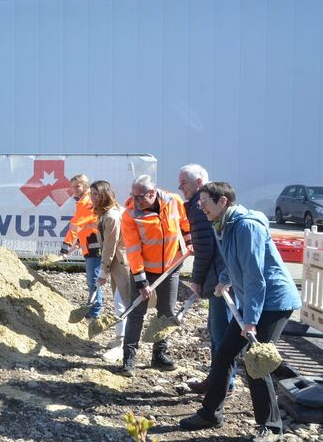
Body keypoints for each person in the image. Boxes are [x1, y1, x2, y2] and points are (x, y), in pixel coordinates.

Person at [180, 181, 301, 442]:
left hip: (274, 301)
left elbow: (256, 276)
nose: (201, 208)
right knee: (224, 353)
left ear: (223, 202)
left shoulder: (246, 226)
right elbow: (232, 262)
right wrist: (224, 279)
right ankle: (210, 413)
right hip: (252, 299)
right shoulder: (223, 225)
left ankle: (271, 426)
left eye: (205, 203)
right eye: (199, 204)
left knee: (256, 361)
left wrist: (251, 321)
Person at [119, 175, 191, 376]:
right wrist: (141, 281)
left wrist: (189, 241)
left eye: (140, 197)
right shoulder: (130, 215)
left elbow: (184, 223)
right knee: (137, 312)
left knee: (166, 312)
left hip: (171, 266)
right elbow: (133, 251)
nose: (136, 201)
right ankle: (129, 357)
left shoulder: (174, 201)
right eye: (133, 196)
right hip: (144, 271)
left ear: (153, 193)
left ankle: (159, 355)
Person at [178, 164, 234, 397]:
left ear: (199, 182)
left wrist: (197, 279)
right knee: (215, 329)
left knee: (221, 333)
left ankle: (223, 385)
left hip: (220, 280)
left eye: (184, 183)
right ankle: (216, 378)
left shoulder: (199, 208)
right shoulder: (202, 205)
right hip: (218, 278)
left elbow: (205, 247)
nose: (180, 187)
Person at [89, 180, 131, 362]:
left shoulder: (112, 217)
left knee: (121, 303)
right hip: (117, 263)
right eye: (91, 194)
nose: (92, 198)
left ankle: (122, 344)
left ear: (105, 194)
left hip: (122, 264)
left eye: (96, 194)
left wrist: (102, 272)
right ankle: (119, 339)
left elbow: (109, 247)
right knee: (120, 301)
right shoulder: (106, 213)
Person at [60, 174, 102, 319]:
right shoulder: (87, 201)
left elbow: (75, 225)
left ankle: (94, 313)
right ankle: (94, 310)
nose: (74, 189)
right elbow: (87, 225)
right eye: (72, 186)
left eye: (77, 186)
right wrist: (78, 243)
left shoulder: (86, 202)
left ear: (85, 186)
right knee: (94, 279)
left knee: (93, 280)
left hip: (94, 245)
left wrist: (65, 247)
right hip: (91, 243)